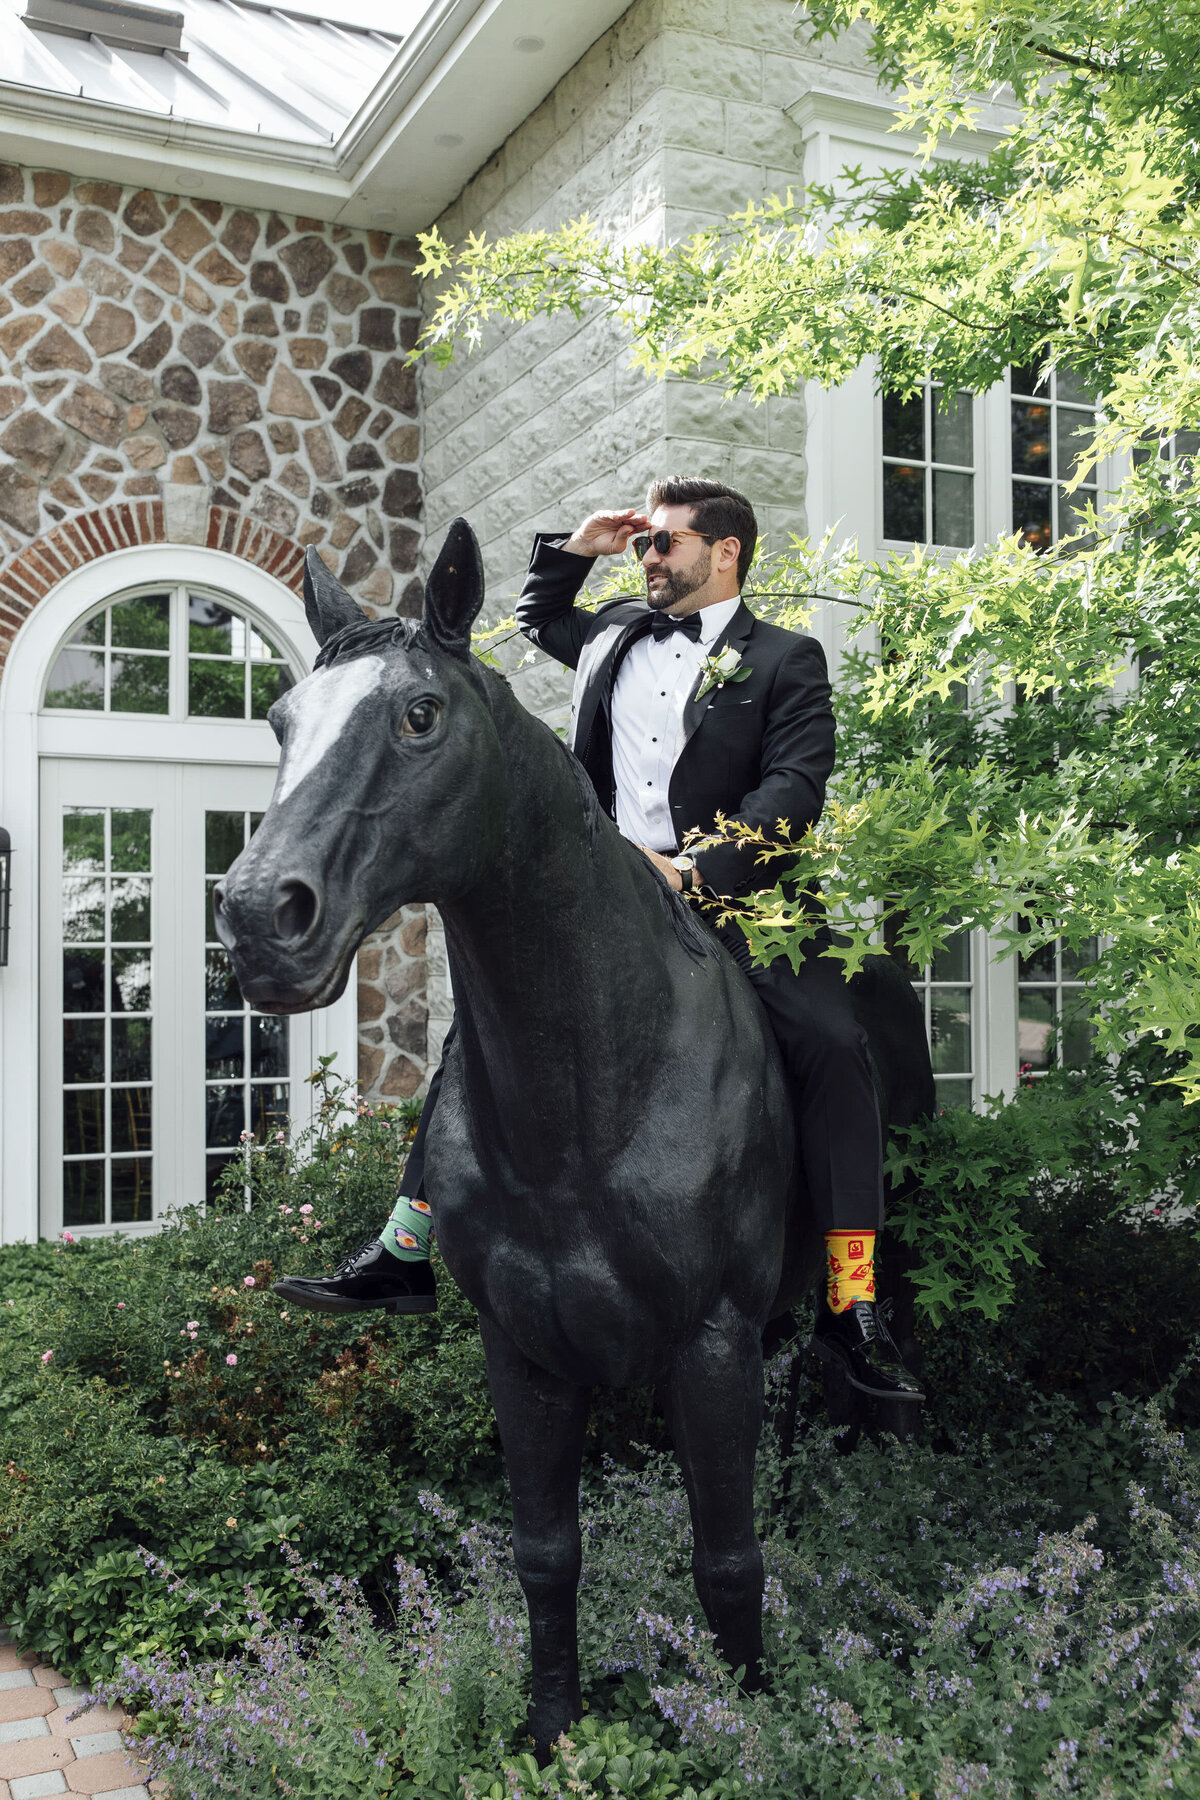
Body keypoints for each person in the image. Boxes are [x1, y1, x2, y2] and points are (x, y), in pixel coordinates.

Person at [275, 477, 923, 1402]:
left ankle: (851, 1301)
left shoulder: (787, 658)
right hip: (609, 901)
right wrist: (578, 547)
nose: (648, 556)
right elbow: (539, 616)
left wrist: (694, 871)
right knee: (477, 1036)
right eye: (644, 542)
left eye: (665, 542)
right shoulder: (614, 632)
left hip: (745, 906)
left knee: (833, 1038)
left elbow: (793, 792)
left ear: (725, 552)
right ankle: (405, 1244)